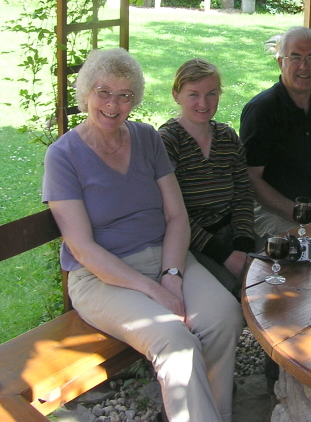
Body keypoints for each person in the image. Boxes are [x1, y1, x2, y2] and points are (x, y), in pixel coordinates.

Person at [42, 47, 243, 422]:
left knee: (224, 317)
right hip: (103, 277)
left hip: (168, 258)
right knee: (175, 341)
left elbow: (177, 215)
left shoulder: (148, 139)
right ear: (86, 92)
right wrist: (155, 290)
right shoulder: (63, 156)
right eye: (104, 92)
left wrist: (171, 275)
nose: (114, 105)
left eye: (125, 95)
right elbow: (82, 248)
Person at [240, 26, 311, 236]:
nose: (304, 66)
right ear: (280, 62)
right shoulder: (262, 110)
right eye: (295, 57)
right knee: (307, 251)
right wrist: (299, 214)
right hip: (274, 214)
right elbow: (250, 178)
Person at [159, 58, 256, 298]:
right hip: (192, 242)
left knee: (277, 273)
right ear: (176, 95)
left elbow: (243, 194)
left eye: (211, 94)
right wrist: (225, 255)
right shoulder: (168, 141)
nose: (203, 103)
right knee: (233, 292)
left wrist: (243, 244)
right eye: (193, 94)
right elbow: (170, 210)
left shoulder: (227, 137)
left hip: (232, 231)